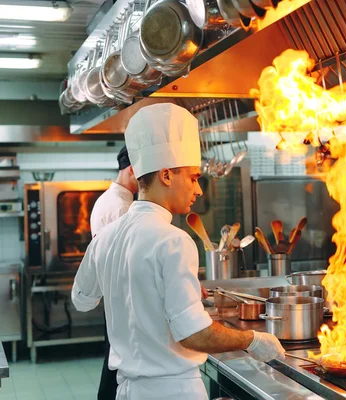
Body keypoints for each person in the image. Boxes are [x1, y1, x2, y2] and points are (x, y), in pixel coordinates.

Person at [71, 103, 284, 400]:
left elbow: (81, 299)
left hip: (127, 391)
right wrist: (253, 339)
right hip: (173, 391)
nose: (198, 191)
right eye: (194, 178)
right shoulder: (174, 240)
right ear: (167, 175)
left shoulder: (106, 237)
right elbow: (194, 334)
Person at [90, 146, 138, 400]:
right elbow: (131, 263)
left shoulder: (106, 200)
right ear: (132, 170)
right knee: (116, 373)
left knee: (112, 368)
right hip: (124, 301)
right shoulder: (123, 207)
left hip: (114, 299)